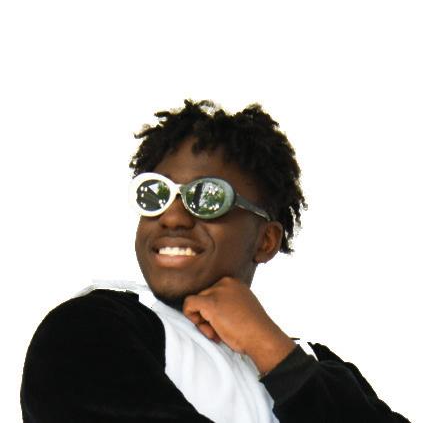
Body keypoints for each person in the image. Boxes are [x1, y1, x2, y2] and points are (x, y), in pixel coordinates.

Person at [20, 100, 411, 422]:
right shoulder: (89, 328)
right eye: (156, 194)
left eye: (206, 197)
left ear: (266, 240)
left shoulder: (312, 363)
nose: (172, 217)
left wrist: (271, 348)